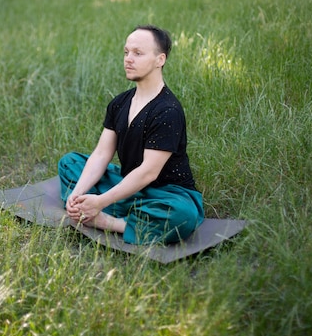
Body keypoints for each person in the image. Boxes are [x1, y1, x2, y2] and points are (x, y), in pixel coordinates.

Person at [58, 25, 204, 245]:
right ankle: (85, 206)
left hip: (166, 194)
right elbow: (100, 155)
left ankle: (109, 221)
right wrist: (76, 194)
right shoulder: (119, 103)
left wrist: (101, 201)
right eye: (126, 52)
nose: (128, 59)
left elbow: (148, 173)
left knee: (183, 216)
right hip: (129, 185)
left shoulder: (168, 110)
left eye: (138, 53)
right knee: (70, 163)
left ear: (160, 59)